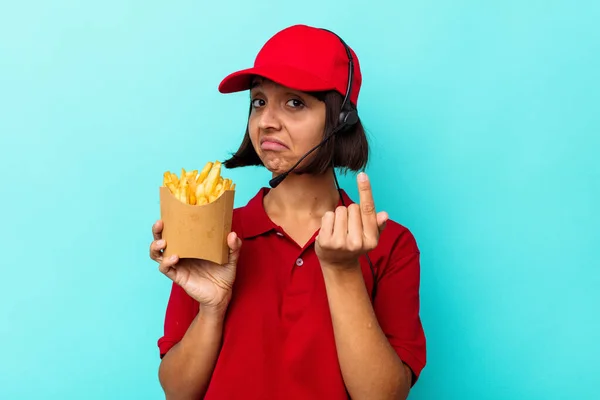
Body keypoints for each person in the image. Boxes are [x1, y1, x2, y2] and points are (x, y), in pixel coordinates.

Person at [149, 24, 426, 400]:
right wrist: (212, 309)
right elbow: (177, 393)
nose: (266, 121)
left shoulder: (390, 244)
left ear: (340, 120)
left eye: (294, 103)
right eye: (259, 101)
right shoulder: (216, 230)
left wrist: (343, 272)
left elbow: (383, 396)